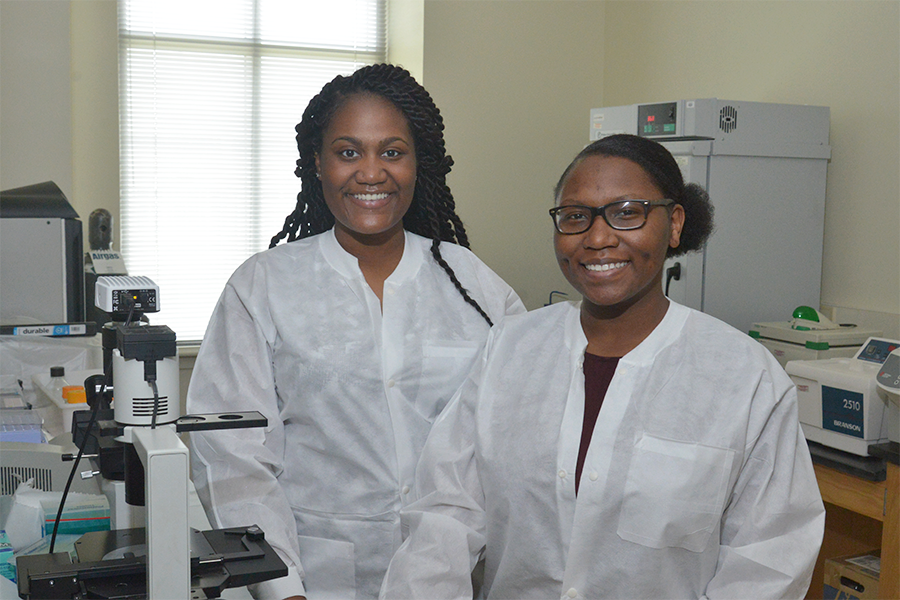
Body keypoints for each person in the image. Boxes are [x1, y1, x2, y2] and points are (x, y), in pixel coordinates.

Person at [380, 134, 825, 599]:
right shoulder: (509, 349)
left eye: (627, 212)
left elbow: (768, 561)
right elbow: (445, 517)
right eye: (576, 217)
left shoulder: (742, 376)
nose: (597, 238)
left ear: (674, 224)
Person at [186, 63, 525, 600]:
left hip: (453, 576)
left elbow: (511, 443)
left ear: (421, 164)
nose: (372, 172)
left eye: (392, 151)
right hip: (311, 578)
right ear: (317, 164)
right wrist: (282, 589)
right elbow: (232, 457)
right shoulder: (264, 286)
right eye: (349, 152)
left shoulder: (477, 289)